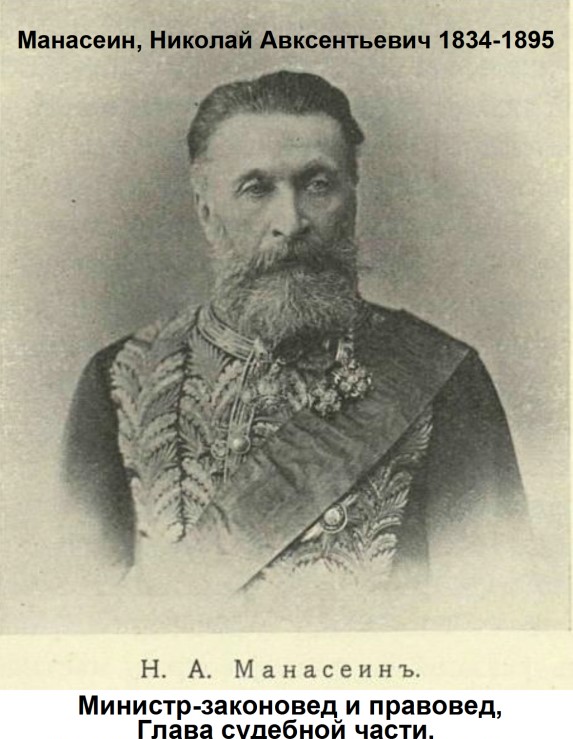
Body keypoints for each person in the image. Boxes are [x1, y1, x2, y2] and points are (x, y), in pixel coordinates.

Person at [63, 71, 533, 627]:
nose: (290, 222)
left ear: (352, 200)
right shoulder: (121, 379)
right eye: (256, 189)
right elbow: (76, 621)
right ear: (206, 211)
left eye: (317, 184)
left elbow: (495, 622)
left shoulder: (445, 380)